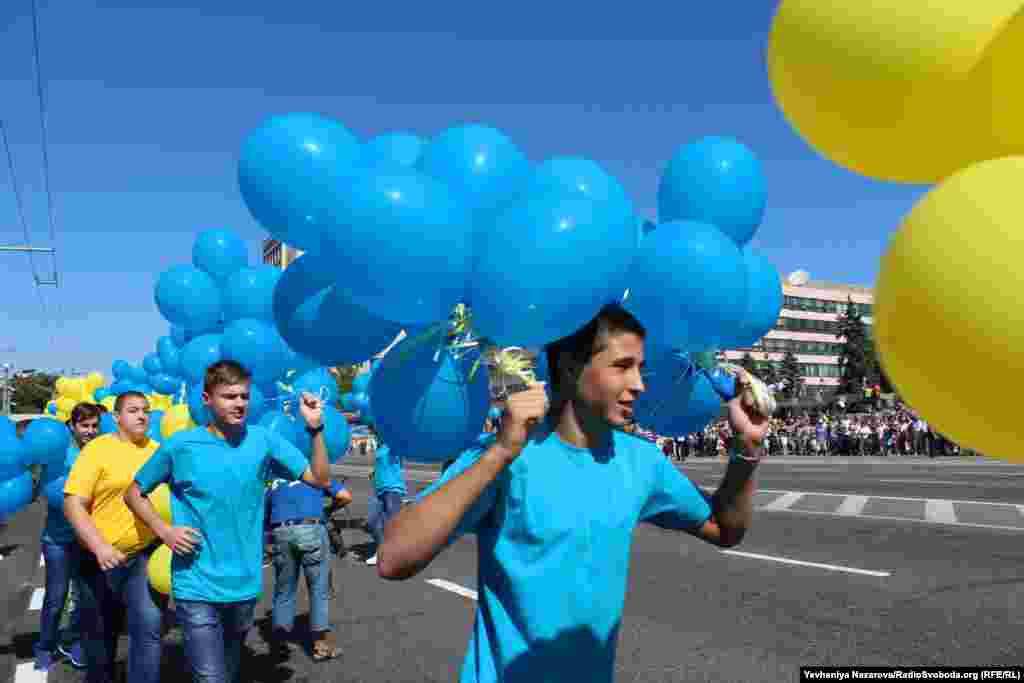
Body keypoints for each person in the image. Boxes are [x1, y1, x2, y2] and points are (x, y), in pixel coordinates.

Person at [377, 304, 768, 682]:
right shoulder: (508, 453)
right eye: (622, 367)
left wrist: (747, 450)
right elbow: (393, 559)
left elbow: (724, 528)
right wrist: (500, 452)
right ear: (569, 366)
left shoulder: (642, 461)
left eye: (640, 368)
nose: (639, 385)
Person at [124, 360, 331, 683]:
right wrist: (164, 531)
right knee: (211, 678)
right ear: (207, 399)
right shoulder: (181, 446)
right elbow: (134, 492)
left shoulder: (264, 441)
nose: (239, 404)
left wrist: (316, 429)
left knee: (230, 669)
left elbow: (318, 479)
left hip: (244, 583)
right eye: (229, 396)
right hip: (196, 581)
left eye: (244, 397)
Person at [63, 391, 165, 683]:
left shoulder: (158, 451)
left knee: (148, 630)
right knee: (100, 637)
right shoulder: (97, 450)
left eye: (145, 410)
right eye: (133, 410)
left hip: (143, 556)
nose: (142, 415)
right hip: (97, 560)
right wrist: (99, 547)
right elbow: (73, 503)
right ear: (116, 417)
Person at [34, 403, 100, 671]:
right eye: (84, 425)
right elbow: (44, 489)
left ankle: (74, 639)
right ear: (72, 426)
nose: (90, 431)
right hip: (58, 539)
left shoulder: (100, 453)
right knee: (56, 597)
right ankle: (45, 646)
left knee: (86, 598)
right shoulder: (58, 454)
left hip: (88, 539)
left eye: (95, 426)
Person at [264, 474, 351, 661]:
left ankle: (279, 643)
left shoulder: (273, 480)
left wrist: (266, 540)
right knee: (318, 589)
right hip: (311, 528)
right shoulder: (316, 473)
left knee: (284, 590)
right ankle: (321, 645)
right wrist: (327, 509)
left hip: (282, 532)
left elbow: (264, 512)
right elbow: (345, 496)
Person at [364, 442, 405, 567]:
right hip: (379, 490)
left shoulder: (394, 444)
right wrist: (374, 472)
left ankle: (393, 555)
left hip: (393, 489)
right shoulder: (380, 446)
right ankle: (383, 551)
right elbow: (382, 465)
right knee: (371, 522)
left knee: (391, 525)